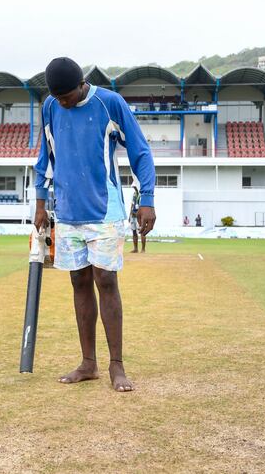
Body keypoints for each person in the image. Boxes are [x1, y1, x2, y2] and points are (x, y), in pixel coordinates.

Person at [34, 57, 156, 393]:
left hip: (105, 212)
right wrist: (41, 203)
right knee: (79, 281)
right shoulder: (49, 106)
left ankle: (117, 365)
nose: (64, 103)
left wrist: (147, 199)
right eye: (58, 99)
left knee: (106, 280)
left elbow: (141, 152)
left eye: (68, 97)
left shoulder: (110, 103)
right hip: (68, 211)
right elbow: (45, 156)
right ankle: (89, 363)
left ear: (81, 84)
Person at [129, 184, 144, 253]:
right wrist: (130, 215)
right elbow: (132, 205)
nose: (134, 188)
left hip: (139, 216)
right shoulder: (134, 194)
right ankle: (135, 249)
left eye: (135, 187)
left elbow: (143, 206)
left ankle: (143, 249)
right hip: (133, 215)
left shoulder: (141, 195)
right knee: (134, 232)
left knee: (142, 232)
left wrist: (139, 214)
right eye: (133, 187)